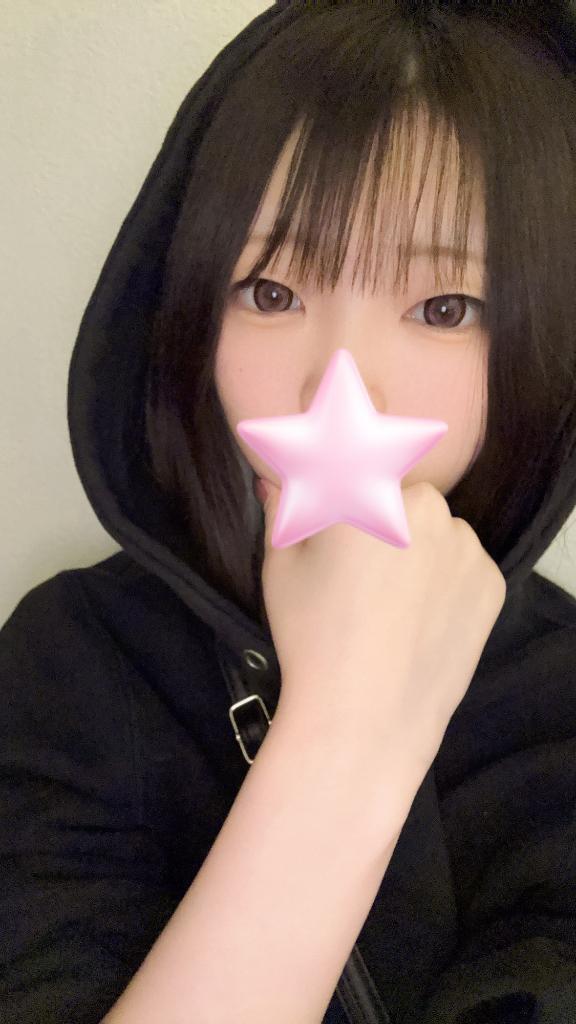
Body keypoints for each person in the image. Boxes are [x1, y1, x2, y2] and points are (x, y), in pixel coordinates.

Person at [2, 1, 576, 1021]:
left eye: (445, 308)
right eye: (270, 292)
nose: (337, 387)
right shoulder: (69, 661)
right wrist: (346, 725)